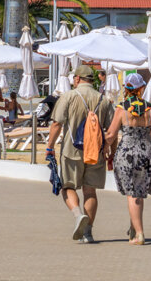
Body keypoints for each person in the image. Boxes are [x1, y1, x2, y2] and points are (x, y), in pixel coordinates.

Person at [46, 64, 113, 244]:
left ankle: (78, 215)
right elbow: (111, 130)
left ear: (76, 79)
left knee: (67, 187)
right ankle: (88, 233)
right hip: (95, 152)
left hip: (72, 151)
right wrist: (109, 149)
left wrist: (50, 147)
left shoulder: (68, 96)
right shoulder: (103, 100)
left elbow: (57, 124)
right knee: (90, 191)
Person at [105, 73, 151, 246]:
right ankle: (134, 227)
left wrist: (103, 148)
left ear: (126, 89)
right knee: (138, 192)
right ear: (142, 88)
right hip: (146, 153)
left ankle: (139, 233)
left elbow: (111, 134)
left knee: (132, 194)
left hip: (126, 154)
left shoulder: (121, 109)